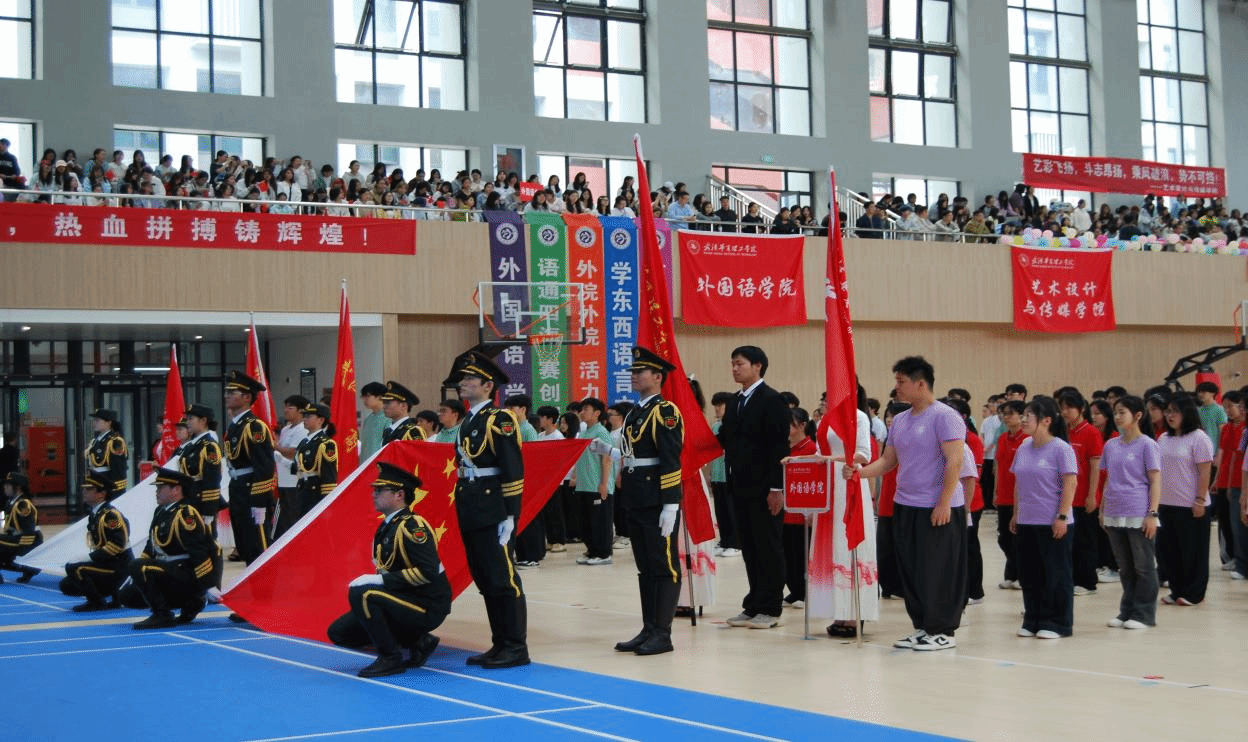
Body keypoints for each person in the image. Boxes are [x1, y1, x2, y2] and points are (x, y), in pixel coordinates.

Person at [847, 356, 965, 651]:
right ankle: (923, 626)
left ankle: (943, 630)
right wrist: (860, 473)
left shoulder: (945, 417)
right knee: (911, 569)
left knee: (937, 569)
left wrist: (944, 503)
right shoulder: (900, 420)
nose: (896, 387)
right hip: (905, 505)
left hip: (936, 506)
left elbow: (955, 462)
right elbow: (888, 461)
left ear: (921, 384)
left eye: (901, 382)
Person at [444, 348, 529, 668]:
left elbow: (512, 468)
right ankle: (500, 642)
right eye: (463, 378)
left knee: (502, 577)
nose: (462, 383)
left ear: (488, 385)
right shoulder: (470, 420)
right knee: (485, 577)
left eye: (470, 379)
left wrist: (510, 513)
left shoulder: (500, 419)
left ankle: (515, 646)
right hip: (472, 504)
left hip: (494, 507)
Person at [328, 461, 451, 677]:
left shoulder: (413, 526)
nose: (374, 494)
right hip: (403, 598)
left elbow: (428, 572)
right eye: (374, 490)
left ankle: (390, 657)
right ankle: (417, 641)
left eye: (380, 490)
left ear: (399, 495)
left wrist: (381, 581)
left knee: (363, 594)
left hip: (426, 604)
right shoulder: (387, 527)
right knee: (339, 633)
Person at [613, 347, 684, 655]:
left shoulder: (665, 411)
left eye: (640, 371)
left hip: (656, 498)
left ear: (657, 377)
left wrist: (671, 504)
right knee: (645, 566)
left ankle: (662, 633)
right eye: (633, 371)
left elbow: (670, 459)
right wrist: (610, 453)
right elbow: (634, 453)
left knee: (663, 565)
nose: (634, 376)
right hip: (636, 497)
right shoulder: (635, 412)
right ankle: (649, 627)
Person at [717, 346, 791, 630]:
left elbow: (778, 446)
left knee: (768, 546)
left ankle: (771, 607)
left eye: (740, 364)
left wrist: (776, 488)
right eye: (732, 364)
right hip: (739, 485)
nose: (735, 369)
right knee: (749, 546)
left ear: (757, 366)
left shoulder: (772, 400)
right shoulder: (734, 401)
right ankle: (754, 604)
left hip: (765, 487)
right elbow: (726, 439)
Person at [1009, 396, 1078, 639]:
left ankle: (1057, 623)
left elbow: (1070, 484)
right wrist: (1016, 513)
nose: (1023, 419)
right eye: (1024, 415)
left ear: (1047, 420)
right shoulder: (1024, 447)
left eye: (1029, 415)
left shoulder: (1061, 448)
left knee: (1055, 575)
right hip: (1027, 520)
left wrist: (1062, 516)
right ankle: (1033, 619)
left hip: (1052, 521)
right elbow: (1018, 483)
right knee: (1030, 574)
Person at [129, 467, 222, 629]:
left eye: (161, 487)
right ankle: (189, 603)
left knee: (138, 567)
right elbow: (151, 546)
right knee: (128, 595)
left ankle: (163, 614)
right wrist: (136, 572)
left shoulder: (186, 513)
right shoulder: (161, 511)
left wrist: (208, 584)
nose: (156, 492)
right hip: (169, 570)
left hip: (186, 571)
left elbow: (198, 550)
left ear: (176, 490)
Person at [1099, 396, 1162, 629]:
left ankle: (1143, 614)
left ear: (1137, 416)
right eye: (1115, 412)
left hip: (1138, 512)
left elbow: (1155, 481)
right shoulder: (1111, 445)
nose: (1117, 417)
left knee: (1143, 567)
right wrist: (1103, 509)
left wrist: (1152, 513)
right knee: (1125, 568)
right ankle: (1126, 611)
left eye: (1122, 412)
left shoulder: (1147, 445)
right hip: (1115, 510)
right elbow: (1109, 479)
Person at [1156, 394, 1214, 606]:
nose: (1170, 416)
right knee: (1169, 551)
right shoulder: (1163, 438)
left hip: (1191, 505)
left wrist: (1199, 499)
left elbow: (1205, 472)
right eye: (1168, 411)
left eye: (1175, 411)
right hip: (1165, 504)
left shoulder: (1199, 437)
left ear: (1187, 413)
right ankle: (1176, 589)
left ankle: (1194, 592)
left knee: (1193, 551)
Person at [222, 371, 276, 565]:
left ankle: (265, 583)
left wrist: (259, 501)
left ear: (246, 397)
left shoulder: (254, 427)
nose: (227, 395)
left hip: (251, 491)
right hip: (238, 488)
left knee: (258, 546)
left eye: (232, 392)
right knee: (244, 543)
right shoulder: (235, 426)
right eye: (227, 391)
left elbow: (264, 467)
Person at [59, 473, 133, 611]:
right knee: (67, 584)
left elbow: (117, 545)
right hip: (107, 564)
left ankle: (97, 602)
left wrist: (90, 557)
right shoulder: (96, 514)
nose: (84, 492)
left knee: (76, 569)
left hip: (118, 567)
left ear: (101, 494)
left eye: (89, 489)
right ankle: (111, 595)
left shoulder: (111, 515)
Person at [1057, 390, 1104, 596]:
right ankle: (1074, 578)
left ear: (1081, 409)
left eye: (1069, 408)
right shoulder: (1064, 431)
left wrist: (1092, 495)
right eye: (1062, 408)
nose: (1065, 412)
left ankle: (1087, 582)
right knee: (1071, 542)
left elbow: (1095, 466)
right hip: (1068, 496)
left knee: (1086, 541)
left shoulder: (1091, 432)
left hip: (1084, 495)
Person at [574, 398, 616, 566]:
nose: (582, 412)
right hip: (584, 485)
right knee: (586, 522)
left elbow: (607, 459)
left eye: (586, 409)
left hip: (597, 485)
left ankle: (604, 553)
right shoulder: (584, 432)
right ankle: (592, 550)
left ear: (597, 413)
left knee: (600, 521)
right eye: (582, 409)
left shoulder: (601, 432)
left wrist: (604, 484)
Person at [994, 400, 1027, 590]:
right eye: (1004, 414)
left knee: (1019, 538)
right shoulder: (1002, 438)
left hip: (1021, 496)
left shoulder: (1027, 440)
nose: (1005, 417)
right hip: (1004, 496)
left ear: (1021, 416)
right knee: (1004, 537)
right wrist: (996, 491)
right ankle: (1011, 573)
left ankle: (1022, 575)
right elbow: (998, 466)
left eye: (1009, 414)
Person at [1215, 391, 1246, 578]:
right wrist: (1218, 479)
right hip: (1230, 480)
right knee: (1231, 522)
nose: (1228, 410)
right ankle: (1235, 559)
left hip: (1238, 480)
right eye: (1225, 407)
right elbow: (1226, 455)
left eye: (1231, 406)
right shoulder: (1227, 428)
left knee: (1239, 522)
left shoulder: (1244, 429)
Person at [177, 404, 223, 524]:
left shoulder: (209, 446)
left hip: (201, 503)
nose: (187, 422)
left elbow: (212, 480)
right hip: (189, 501)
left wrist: (209, 510)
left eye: (191, 418)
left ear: (203, 420)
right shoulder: (191, 446)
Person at [273, 396, 310, 539]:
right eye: (285, 407)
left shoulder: (302, 429)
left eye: (290, 407)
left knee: (293, 518)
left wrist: (276, 447)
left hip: (294, 481)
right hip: (283, 481)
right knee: (284, 519)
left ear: (301, 411)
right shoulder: (286, 429)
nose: (286, 410)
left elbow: (293, 453)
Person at [293, 402, 338, 519]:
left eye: (309, 416)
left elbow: (329, 478)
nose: (305, 419)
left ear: (321, 420)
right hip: (302, 491)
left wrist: (326, 504)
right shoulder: (304, 442)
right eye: (304, 416)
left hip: (315, 494)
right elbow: (297, 468)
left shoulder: (326, 444)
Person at [708, 392, 739, 557]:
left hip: (729, 474)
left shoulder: (734, 425)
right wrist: (710, 473)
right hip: (717, 474)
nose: (717, 409)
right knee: (720, 511)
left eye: (720, 405)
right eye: (715, 405)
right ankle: (724, 541)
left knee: (731, 510)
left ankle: (735, 543)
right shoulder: (715, 426)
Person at [535, 406, 568, 553]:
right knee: (546, 511)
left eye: (542, 417)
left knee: (556, 511)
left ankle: (559, 540)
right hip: (542, 480)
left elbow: (561, 460)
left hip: (554, 480)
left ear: (550, 419)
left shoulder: (558, 437)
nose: (540, 420)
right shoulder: (540, 436)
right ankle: (550, 539)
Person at [0, 473, 42, 583]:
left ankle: (28, 567)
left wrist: (22, 551)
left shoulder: (23, 505)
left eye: (8, 485)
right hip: (17, 539)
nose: (5, 488)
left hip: (27, 542)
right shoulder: (11, 503)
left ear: (18, 487)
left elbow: (29, 532)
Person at [87, 408, 129, 494]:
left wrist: (114, 489)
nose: (94, 423)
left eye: (98, 420)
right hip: (98, 485)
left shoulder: (115, 441)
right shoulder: (96, 441)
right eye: (94, 420)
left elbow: (117, 470)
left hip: (108, 487)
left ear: (108, 422)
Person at [358, 382, 389, 460]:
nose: (364, 400)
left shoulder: (388, 418)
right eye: (363, 397)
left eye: (367, 396)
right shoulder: (368, 419)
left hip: (379, 463)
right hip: (365, 463)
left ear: (380, 397)